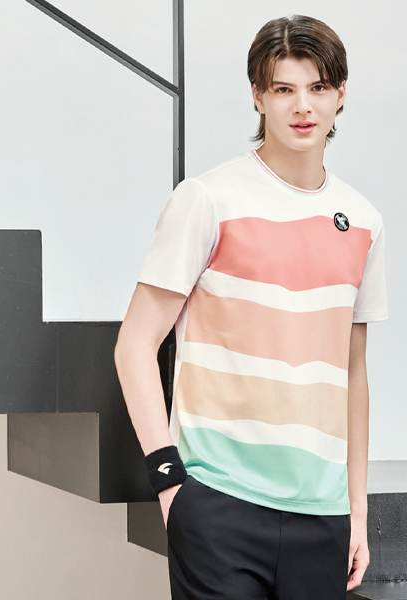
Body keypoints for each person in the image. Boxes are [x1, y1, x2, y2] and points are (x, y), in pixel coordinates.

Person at [115, 14, 388, 600]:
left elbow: (353, 373)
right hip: (219, 504)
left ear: (341, 95)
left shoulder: (363, 221)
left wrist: (357, 511)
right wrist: (169, 483)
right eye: (284, 88)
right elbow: (135, 344)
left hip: (323, 514)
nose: (302, 106)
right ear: (258, 97)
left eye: (317, 87)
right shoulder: (207, 200)